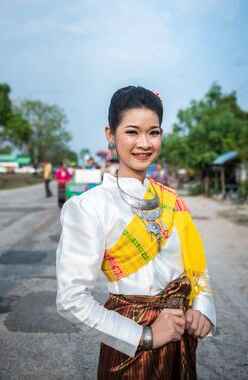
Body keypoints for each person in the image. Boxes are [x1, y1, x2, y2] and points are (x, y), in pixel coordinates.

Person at [56, 86, 216, 379]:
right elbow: (71, 298)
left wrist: (202, 308)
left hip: (180, 339)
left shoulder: (172, 200)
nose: (144, 143)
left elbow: (196, 268)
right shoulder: (90, 207)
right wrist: (145, 336)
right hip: (130, 348)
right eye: (132, 131)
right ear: (110, 135)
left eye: (153, 132)